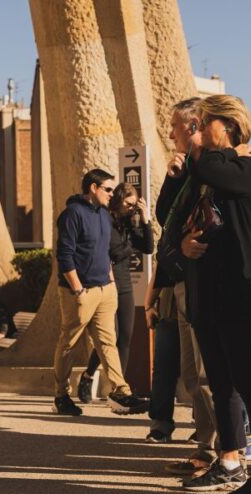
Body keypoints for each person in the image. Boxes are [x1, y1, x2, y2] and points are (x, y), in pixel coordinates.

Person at [179, 94, 251, 494]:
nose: (198, 131)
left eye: (205, 123)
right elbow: (172, 216)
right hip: (204, 288)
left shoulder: (249, 168)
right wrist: (184, 243)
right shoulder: (207, 172)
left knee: (246, 378)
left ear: (228, 126)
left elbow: (207, 164)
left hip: (237, 287)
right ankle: (229, 462)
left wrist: (206, 151)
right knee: (219, 381)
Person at [156, 97, 225, 476]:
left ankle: (225, 446)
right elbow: (164, 216)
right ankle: (206, 442)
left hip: (206, 280)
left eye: (175, 127)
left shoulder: (215, 167)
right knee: (190, 371)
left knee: (208, 369)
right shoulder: (186, 171)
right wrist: (173, 177)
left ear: (195, 125)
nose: (170, 134)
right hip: (182, 278)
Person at [52, 169, 149, 417]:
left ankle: (120, 392)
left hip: (106, 290)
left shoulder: (104, 216)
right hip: (80, 292)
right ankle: (61, 395)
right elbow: (64, 255)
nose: (111, 193)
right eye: (107, 189)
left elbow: (106, 253)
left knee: (109, 343)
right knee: (69, 344)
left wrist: (110, 282)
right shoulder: (72, 214)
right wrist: (78, 290)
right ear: (93, 188)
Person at [77, 183, 154, 402]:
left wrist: (145, 219)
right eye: (128, 204)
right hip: (106, 283)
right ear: (119, 200)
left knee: (126, 338)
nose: (131, 208)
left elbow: (148, 248)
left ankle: (117, 389)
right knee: (111, 336)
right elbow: (115, 252)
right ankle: (89, 375)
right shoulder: (105, 220)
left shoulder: (130, 222)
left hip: (125, 284)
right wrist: (130, 242)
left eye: (134, 205)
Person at [143, 270, 181, 442]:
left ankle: (204, 427)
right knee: (163, 368)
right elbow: (161, 268)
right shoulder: (170, 242)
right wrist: (148, 305)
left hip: (201, 303)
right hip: (168, 307)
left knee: (200, 372)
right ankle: (160, 424)